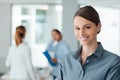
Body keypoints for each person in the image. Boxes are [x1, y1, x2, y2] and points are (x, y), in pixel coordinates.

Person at [57, 6, 120, 80]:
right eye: (77, 28)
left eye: (87, 27)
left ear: (98, 27)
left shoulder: (113, 62)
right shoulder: (66, 60)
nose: (81, 33)